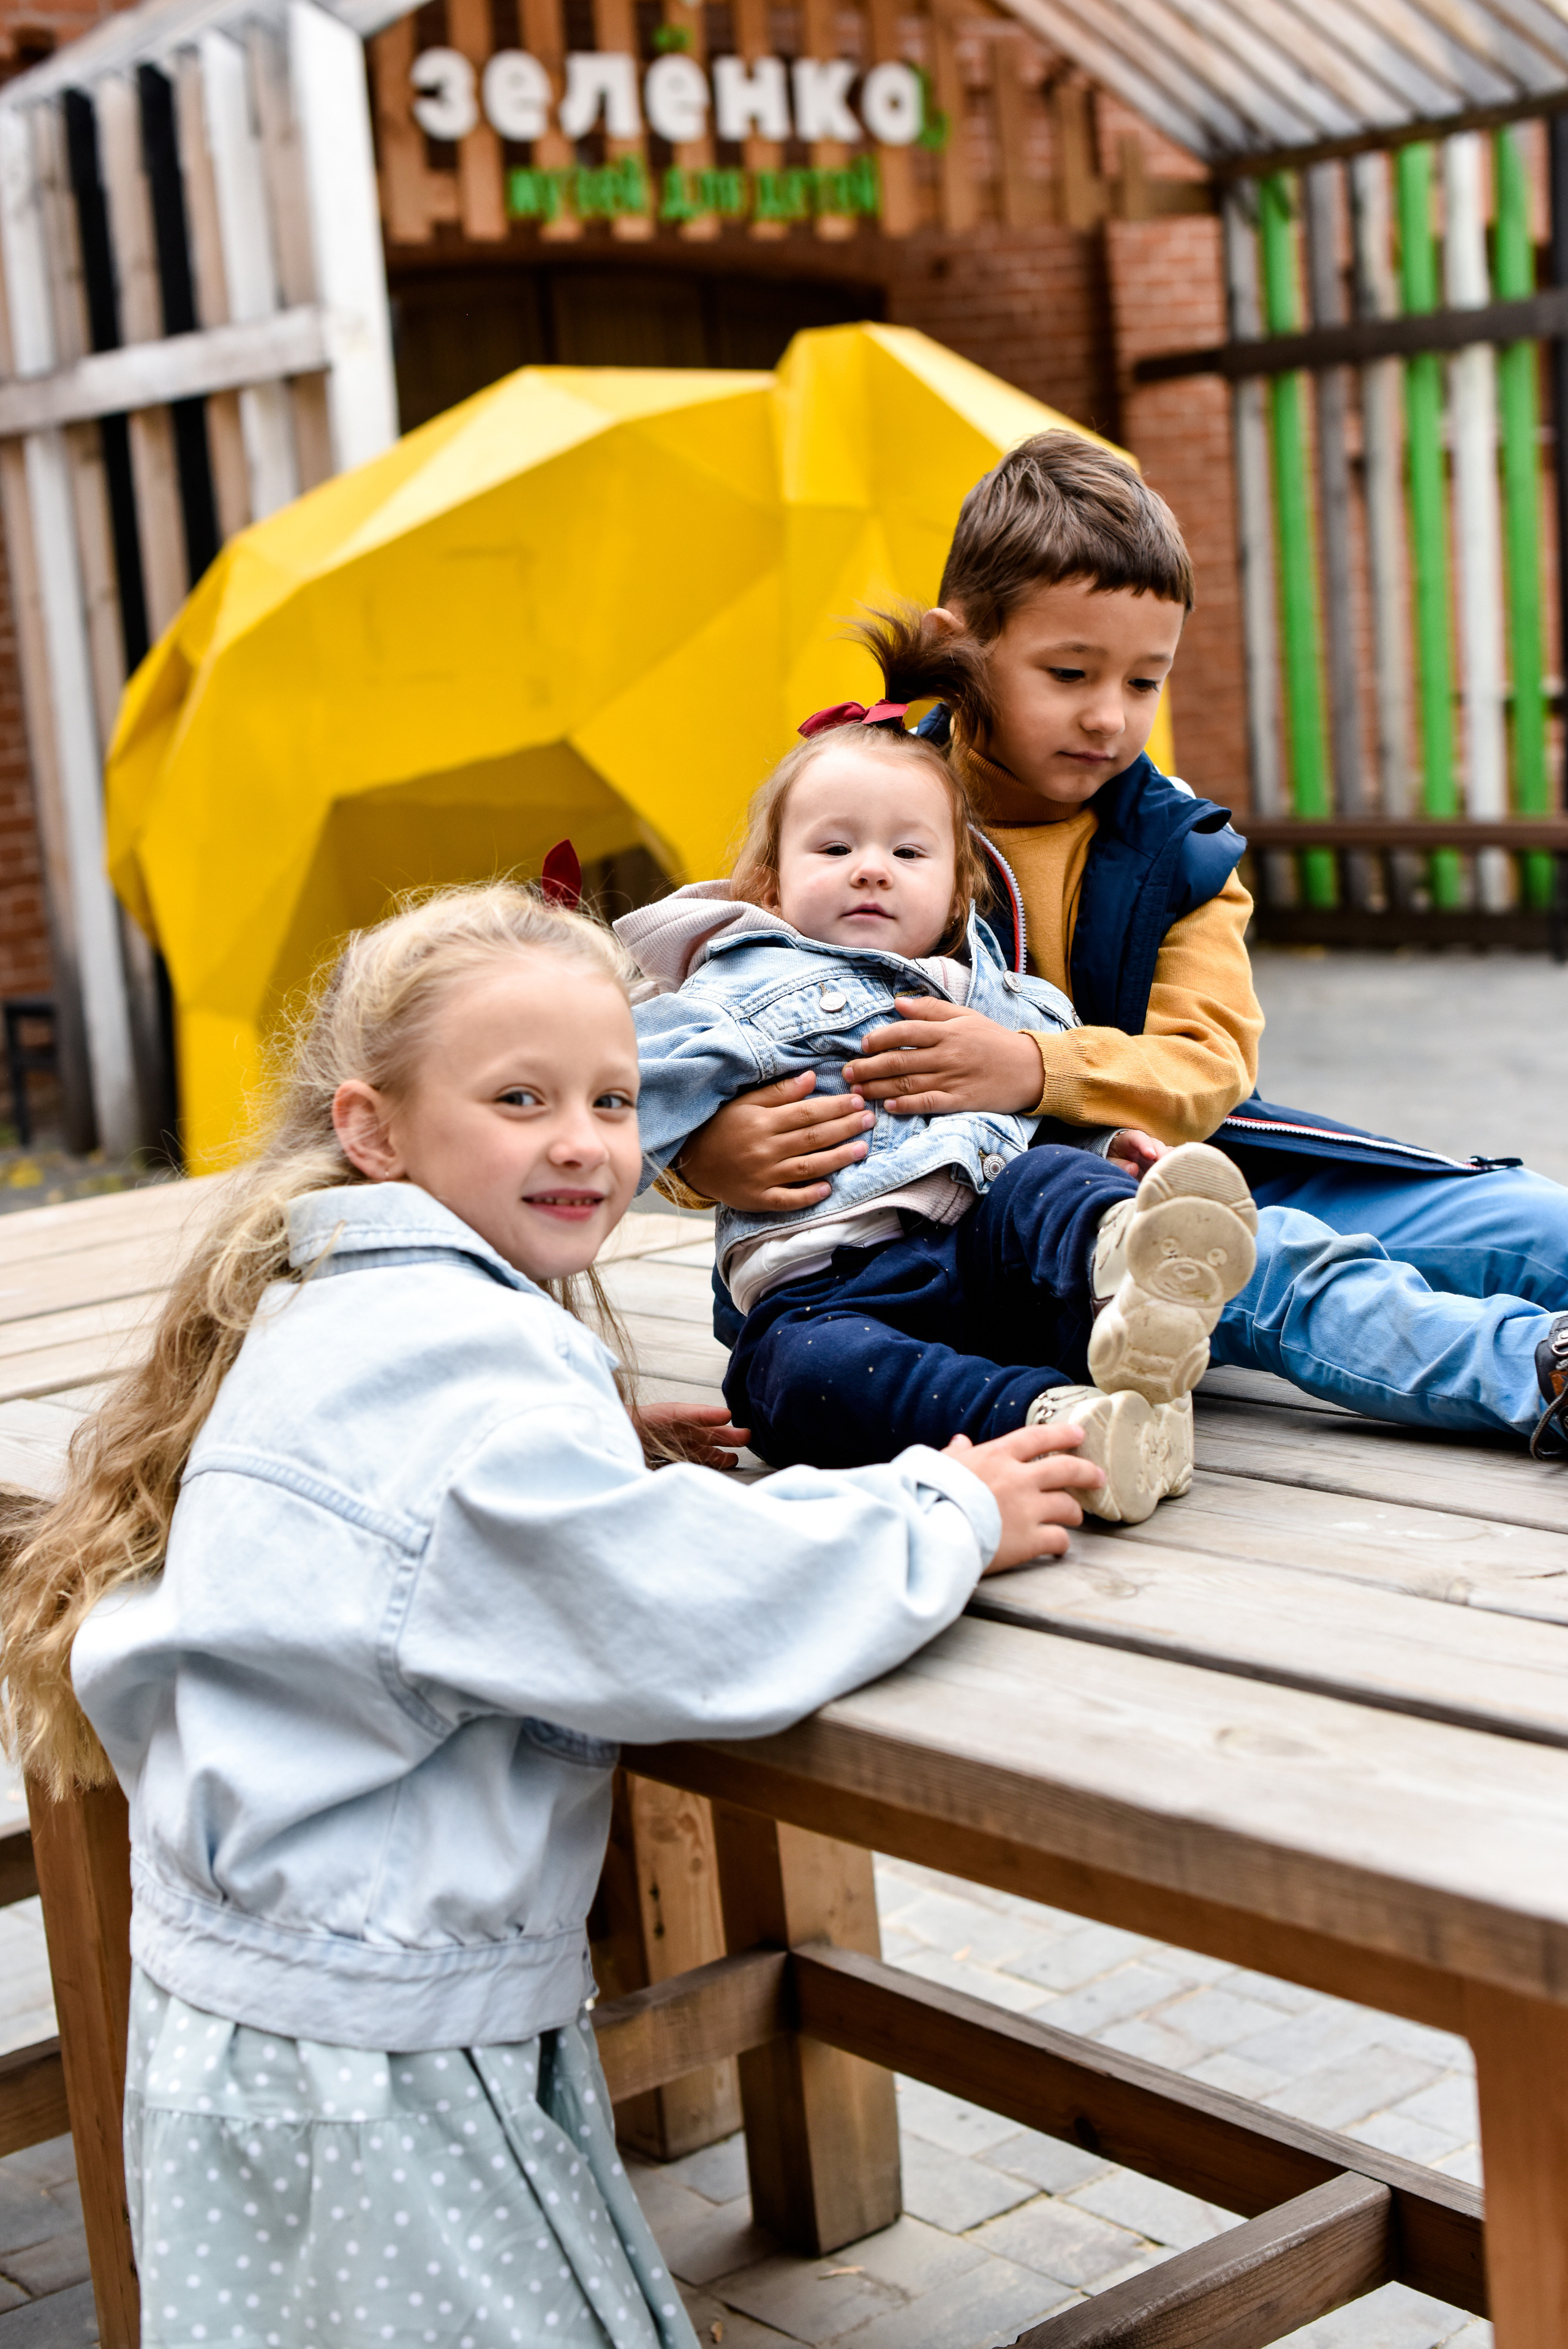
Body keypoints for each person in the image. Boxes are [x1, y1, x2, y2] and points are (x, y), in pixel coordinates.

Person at [0, 883, 1102, 2349]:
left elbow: (461, 1516)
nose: (583, 1139)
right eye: (519, 1098)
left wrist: (594, 1440)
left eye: (614, 1096)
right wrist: (952, 1511)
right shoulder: (463, 1391)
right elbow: (687, 1617)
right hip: (374, 2067)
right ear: (373, 1128)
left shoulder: (338, 1305)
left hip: (252, 2027)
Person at [670, 432, 1568, 1461]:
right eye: (1068, 671)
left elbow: (1210, 1071)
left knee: (1534, 1226)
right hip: (951, 1230)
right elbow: (709, 1021)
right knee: (1274, 1264)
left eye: (1146, 682)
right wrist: (707, 1154)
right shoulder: (850, 823)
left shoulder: (1176, 843)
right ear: (958, 645)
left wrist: (1035, 1066)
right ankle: (1536, 1369)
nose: (1108, 716)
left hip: (1194, 1154)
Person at [620, 722, 1260, 1525]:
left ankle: (1128, 1255)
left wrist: (1104, 1147)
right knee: (791, 1378)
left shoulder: (1006, 1004)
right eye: (833, 849)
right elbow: (622, 1094)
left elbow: (1046, 1121)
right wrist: (686, 1155)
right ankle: (1065, 1426)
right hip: (834, 1288)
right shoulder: (737, 984)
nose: (871, 870)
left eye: (908, 854)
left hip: (998, 1269)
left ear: (958, 892)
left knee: (1049, 1180)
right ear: (773, 887)